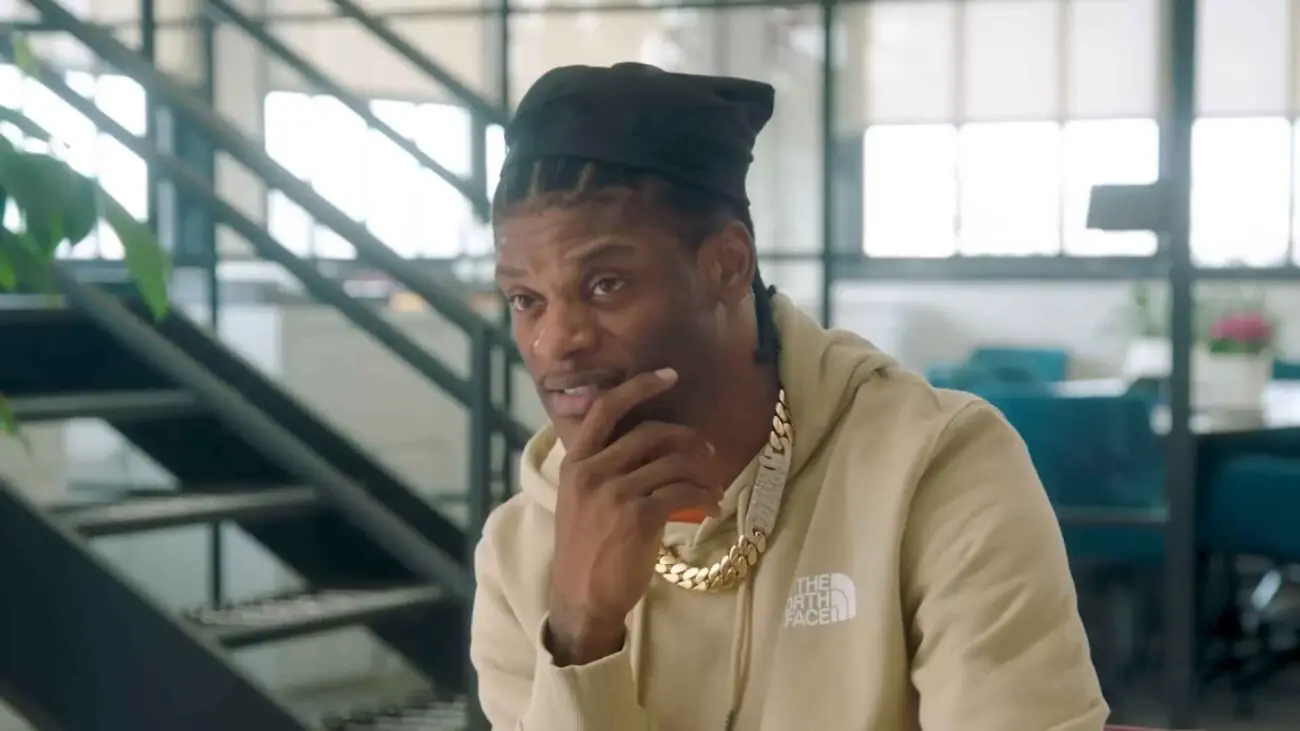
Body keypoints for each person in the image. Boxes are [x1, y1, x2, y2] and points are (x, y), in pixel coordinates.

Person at [471, 61, 1108, 731]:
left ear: (726, 265)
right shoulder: (520, 548)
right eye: (525, 300)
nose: (555, 341)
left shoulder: (936, 468)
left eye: (605, 285)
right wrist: (579, 632)